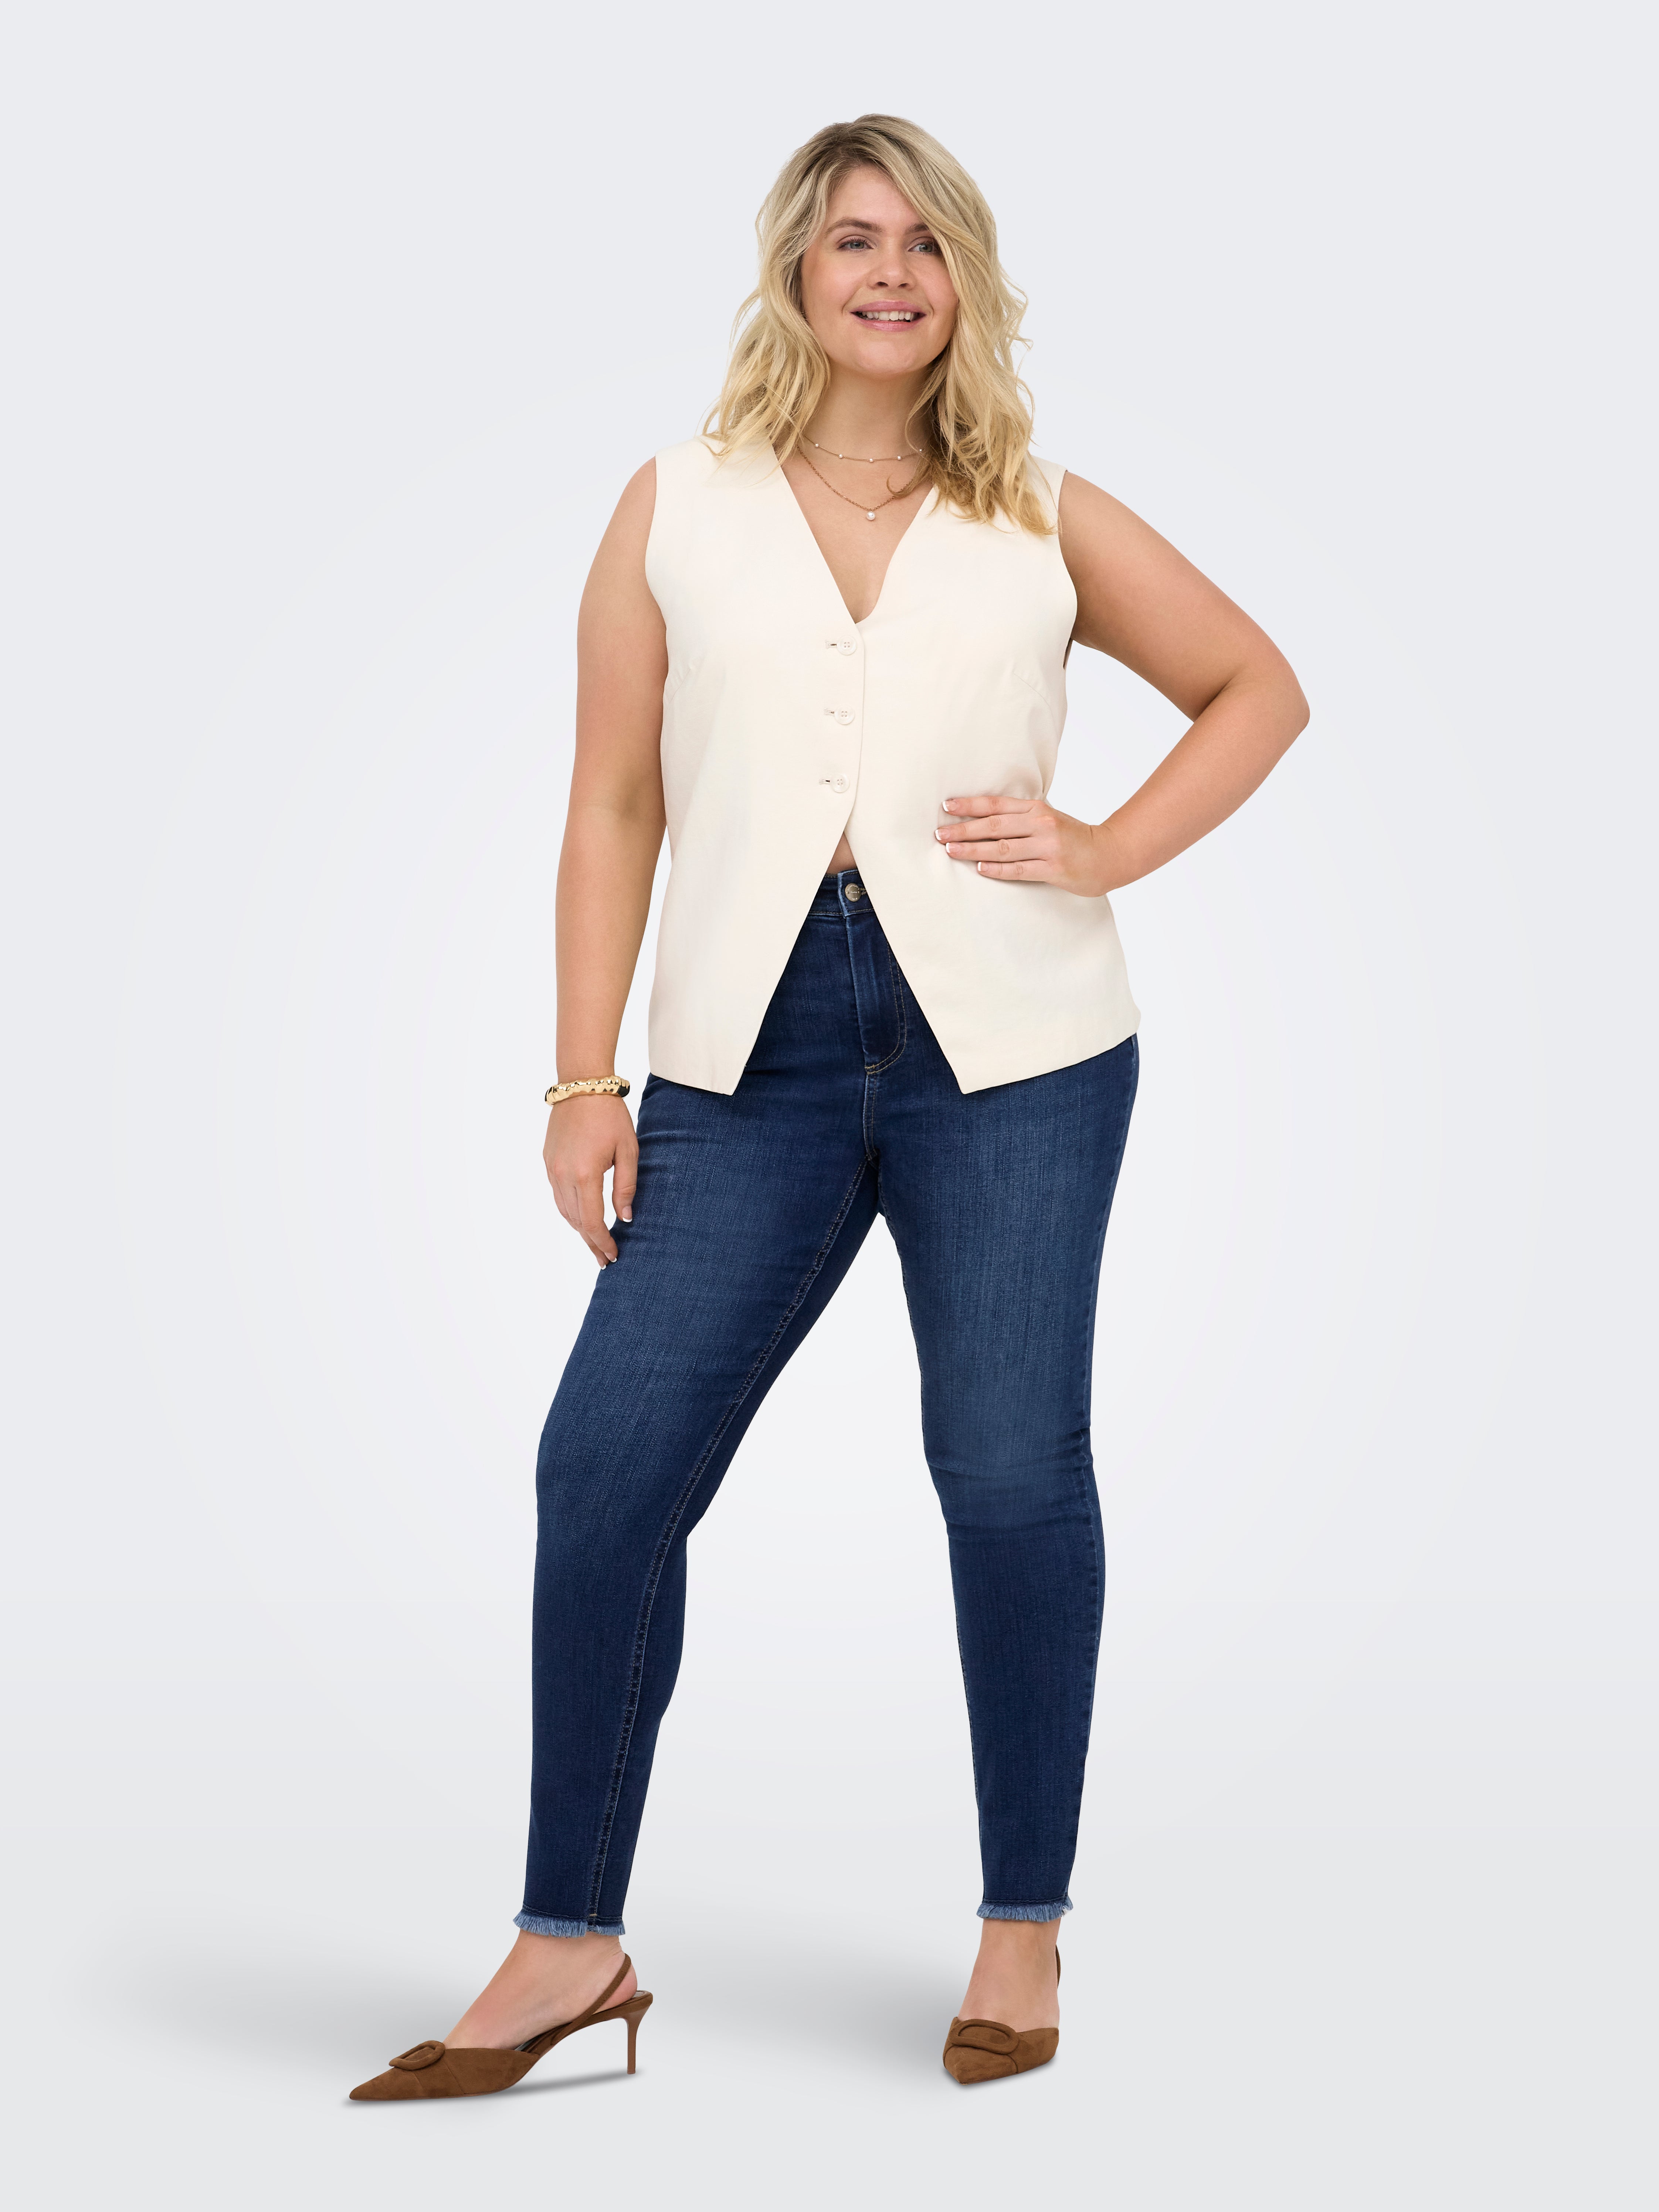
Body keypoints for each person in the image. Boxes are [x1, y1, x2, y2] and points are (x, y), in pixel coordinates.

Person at [350, 112, 1307, 2101]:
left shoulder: (1039, 509)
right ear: (796, 269)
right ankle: (567, 1943)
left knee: (1009, 1473)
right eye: (855, 239)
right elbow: (615, 798)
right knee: (606, 1469)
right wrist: (581, 1076)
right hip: (743, 1062)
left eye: (926, 244)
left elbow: (1257, 688)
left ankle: (1022, 1928)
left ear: (966, 282)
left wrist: (1104, 846)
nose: (890, 274)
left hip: (1016, 1057)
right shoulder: (675, 504)